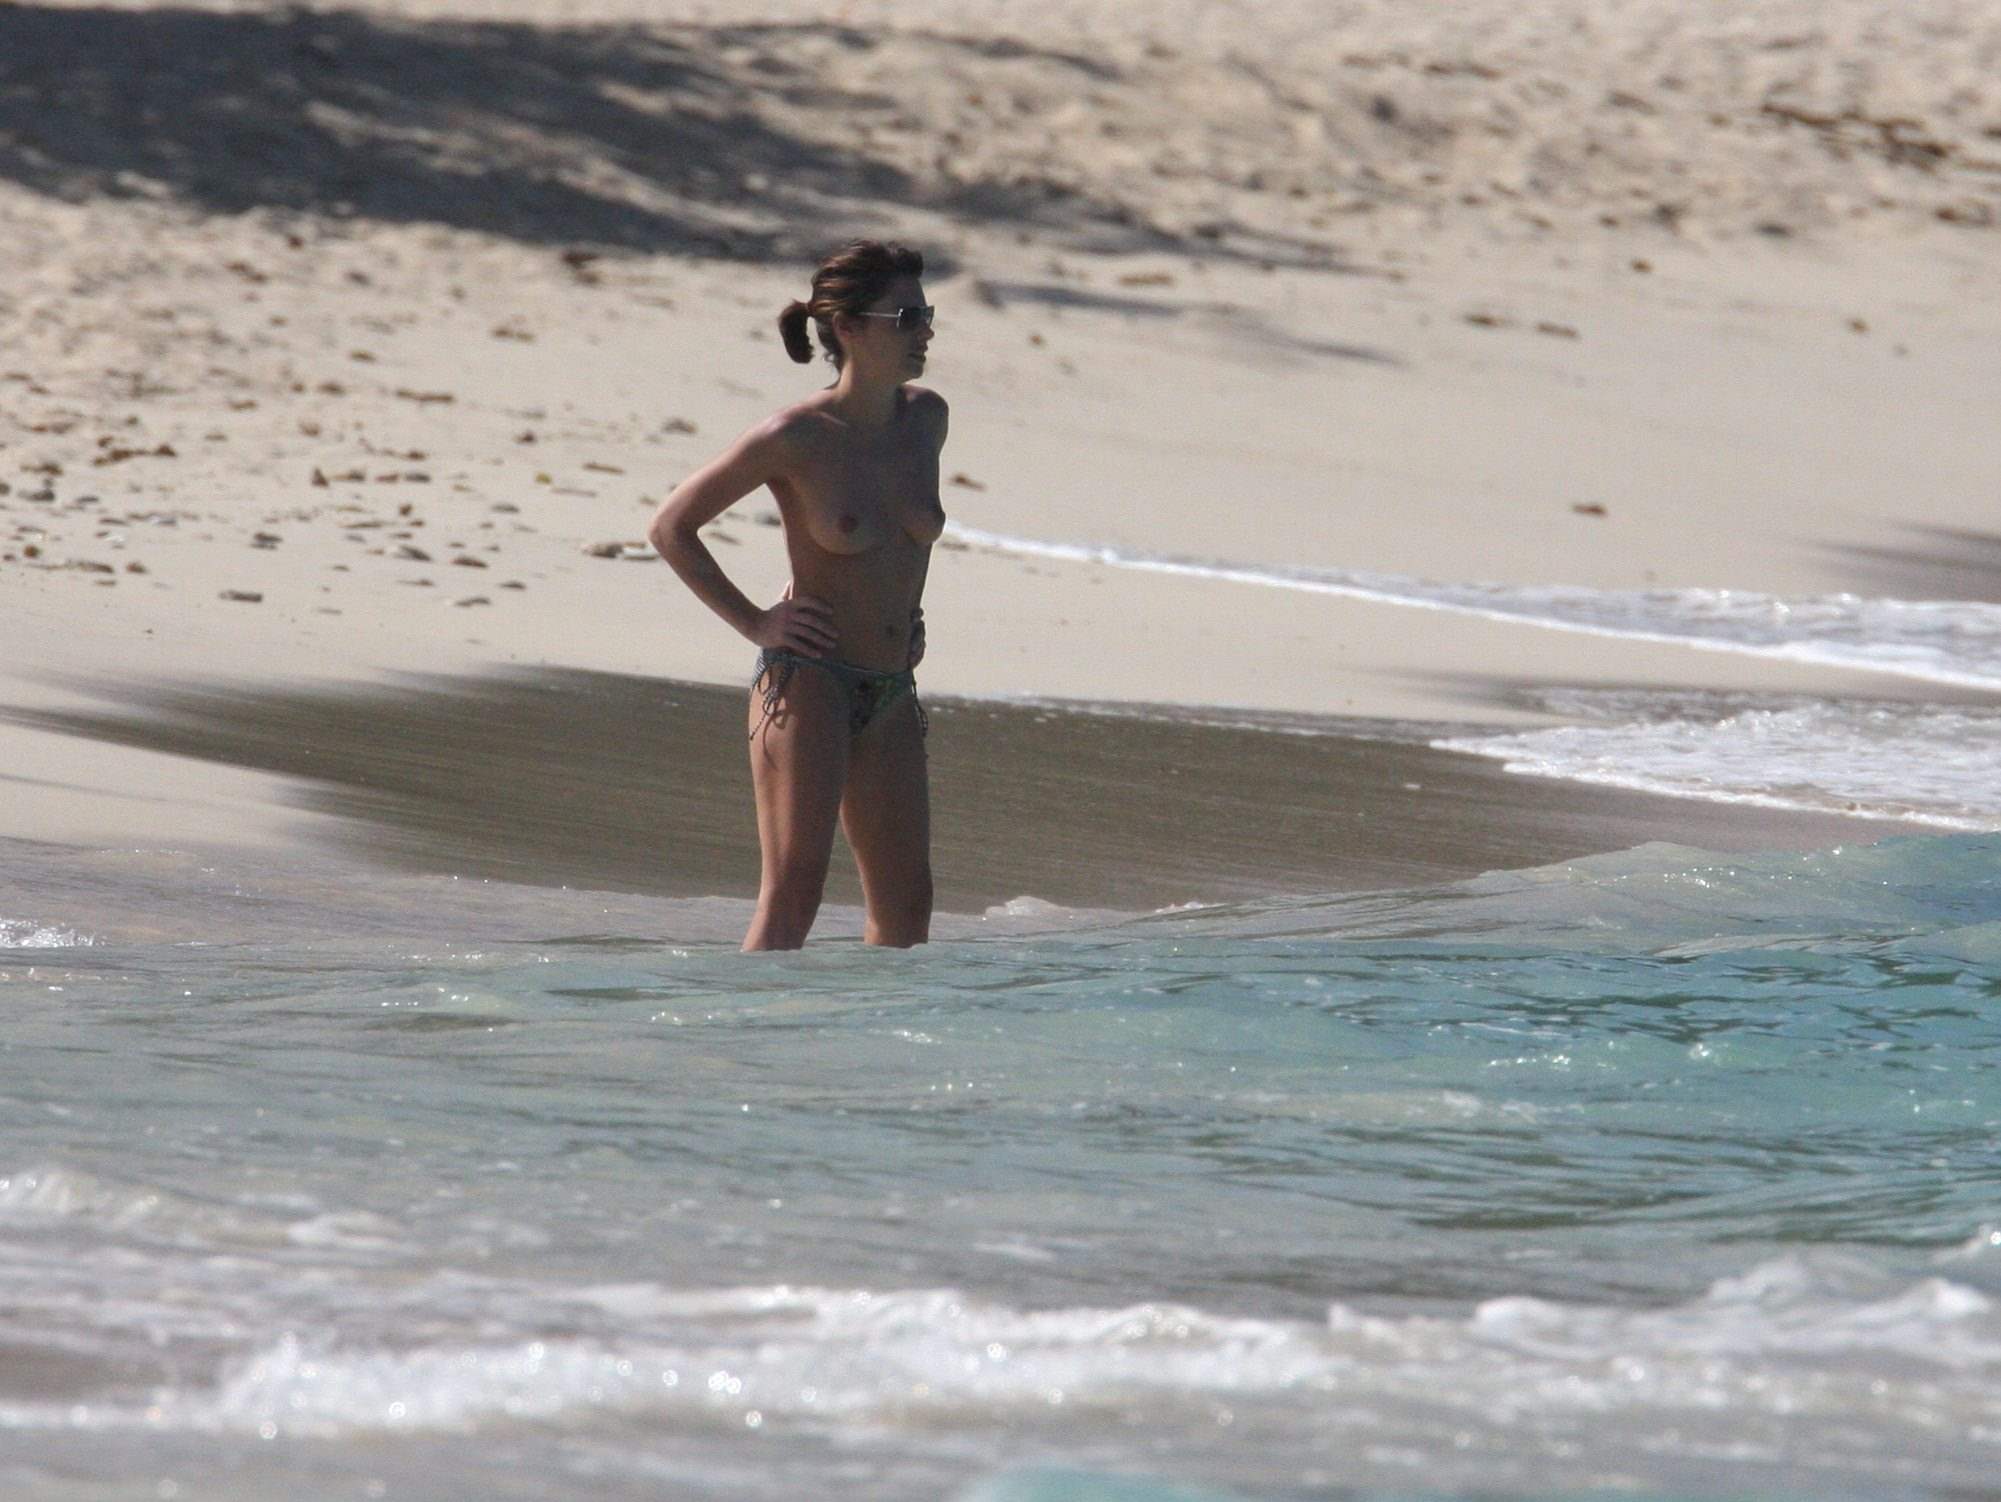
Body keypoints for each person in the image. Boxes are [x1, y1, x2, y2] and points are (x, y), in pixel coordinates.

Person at [648, 241, 945, 951]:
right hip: (810, 680)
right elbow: (671, 527)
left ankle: (875, 1027)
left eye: (928, 314)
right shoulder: (795, 436)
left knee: (908, 910)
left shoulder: (926, 420)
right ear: (849, 327)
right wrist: (756, 622)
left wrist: (907, 613)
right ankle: (743, 1023)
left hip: (891, 685)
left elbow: (898, 542)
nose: (925, 332)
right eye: (907, 317)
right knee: (793, 896)